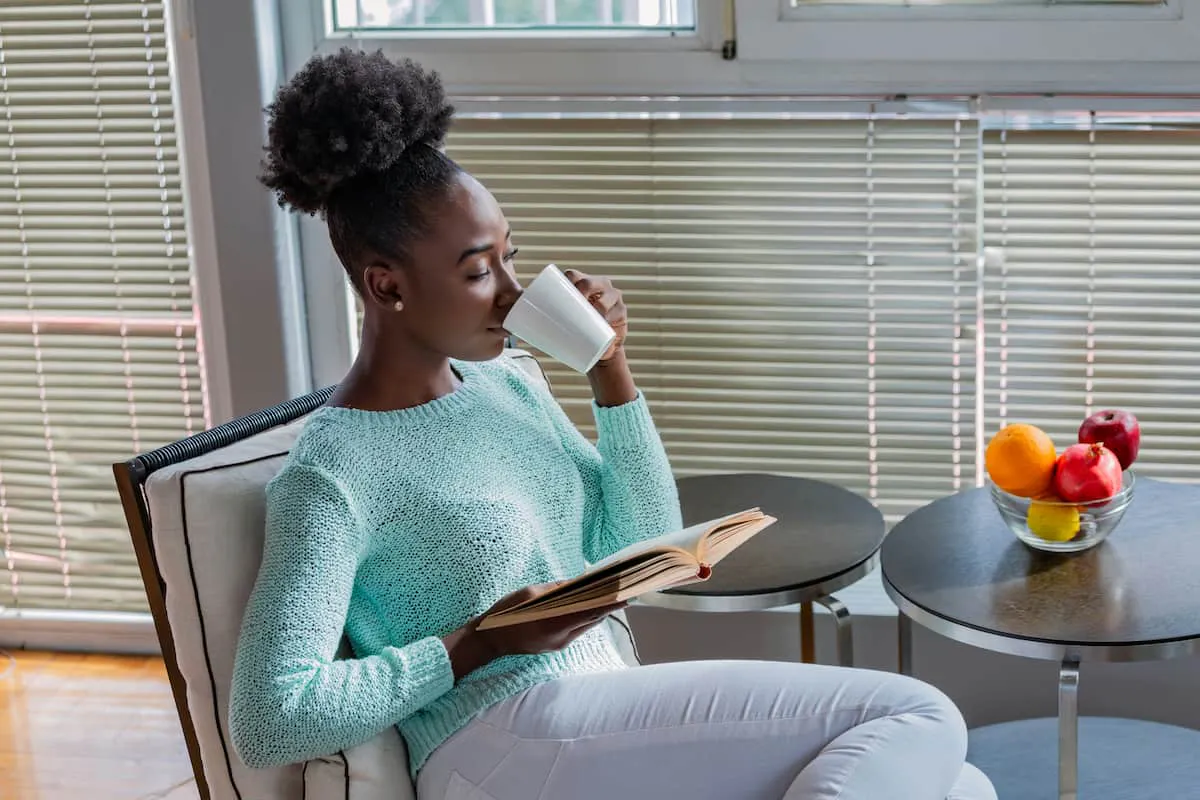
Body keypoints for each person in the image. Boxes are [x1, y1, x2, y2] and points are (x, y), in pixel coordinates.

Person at [228, 48, 998, 800]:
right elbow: (270, 718)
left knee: (961, 785)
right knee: (920, 715)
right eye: (476, 271)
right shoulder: (334, 470)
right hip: (494, 745)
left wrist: (608, 369)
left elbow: (644, 536)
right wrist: (479, 644)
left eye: (510, 257)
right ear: (385, 285)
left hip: (598, 714)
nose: (511, 291)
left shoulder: (508, 385)